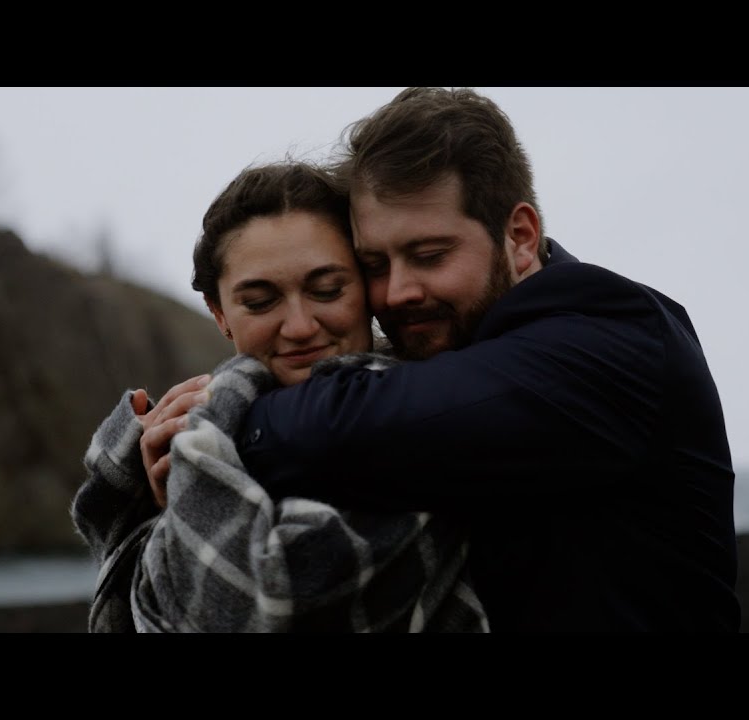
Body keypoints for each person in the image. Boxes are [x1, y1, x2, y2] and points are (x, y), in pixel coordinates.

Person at [235, 87, 741, 632]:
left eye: (429, 256)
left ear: (520, 237)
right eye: (375, 264)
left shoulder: (609, 334)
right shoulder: (468, 352)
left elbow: (355, 425)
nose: (398, 291)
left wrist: (221, 427)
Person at [70, 161, 488, 632]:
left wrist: (192, 494)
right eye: (260, 301)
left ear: (368, 288)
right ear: (219, 312)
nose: (300, 327)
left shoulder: (417, 421)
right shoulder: (207, 436)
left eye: (327, 290)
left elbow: (241, 611)